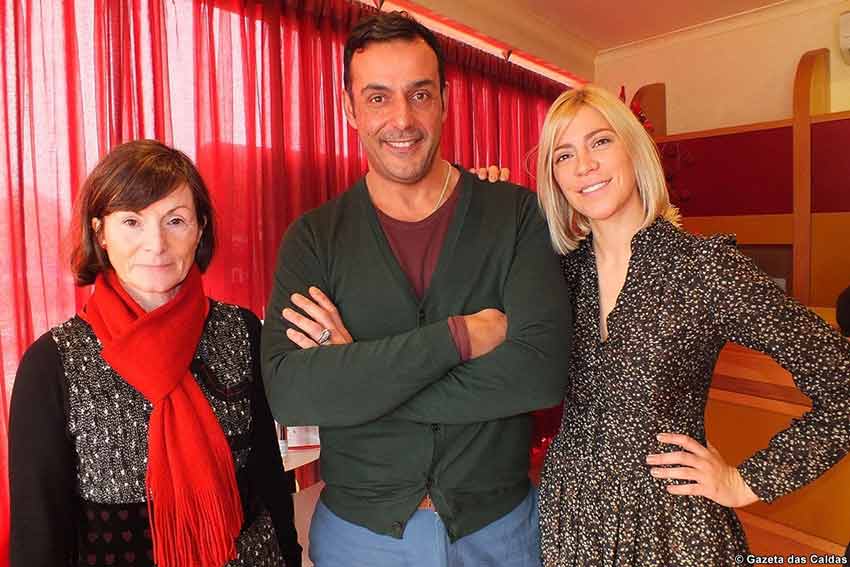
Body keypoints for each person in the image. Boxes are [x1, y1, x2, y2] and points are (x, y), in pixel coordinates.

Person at [260, 11, 571, 567]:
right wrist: (456, 338)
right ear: (350, 109)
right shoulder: (314, 239)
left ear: (445, 101)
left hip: (501, 533)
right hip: (360, 540)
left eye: (420, 94)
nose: (402, 119)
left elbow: (540, 374)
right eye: (378, 97)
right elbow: (292, 393)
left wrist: (359, 377)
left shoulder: (516, 215)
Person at [533, 84, 850, 566]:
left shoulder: (703, 268)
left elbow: (843, 382)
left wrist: (745, 481)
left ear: (633, 149)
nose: (584, 165)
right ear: (554, 177)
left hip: (670, 529)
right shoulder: (556, 274)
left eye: (600, 141)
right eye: (564, 154)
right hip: (569, 515)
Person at [9, 140, 301, 567]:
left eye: (175, 220)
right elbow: (38, 532)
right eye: (132, 221)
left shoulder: (241, 331)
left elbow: (268, 477)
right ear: (100, 232)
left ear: (200, 229)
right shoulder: (52, 363)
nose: (156, 243)